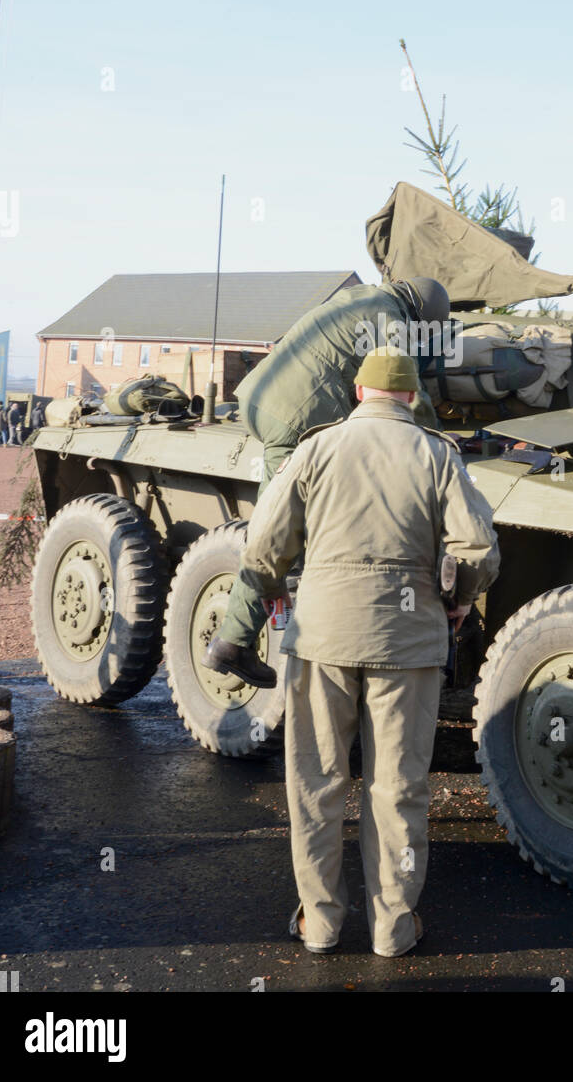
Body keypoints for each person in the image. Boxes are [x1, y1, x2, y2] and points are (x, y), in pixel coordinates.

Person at [230, 345, 500, 957]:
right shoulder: (437, 455)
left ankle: (321, 925)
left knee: (316, 783)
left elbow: (264, 547)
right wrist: (458, 600)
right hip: (408, 646)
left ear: (358, 394)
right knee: (398, 789)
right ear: (411, 397)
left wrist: (272, 593)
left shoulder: (315, 449)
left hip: (322, 640)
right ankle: (394, 929)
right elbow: (479, 551)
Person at [204, 276, 452, 687]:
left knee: (274, 529)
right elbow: (402, 388)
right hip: (295, 418)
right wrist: (436, 436)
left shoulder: (360, 296)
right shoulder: (393, 321)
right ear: (421, 315)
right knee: (278, 537)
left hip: (257, 399)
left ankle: (244, 637)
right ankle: (239, 642)